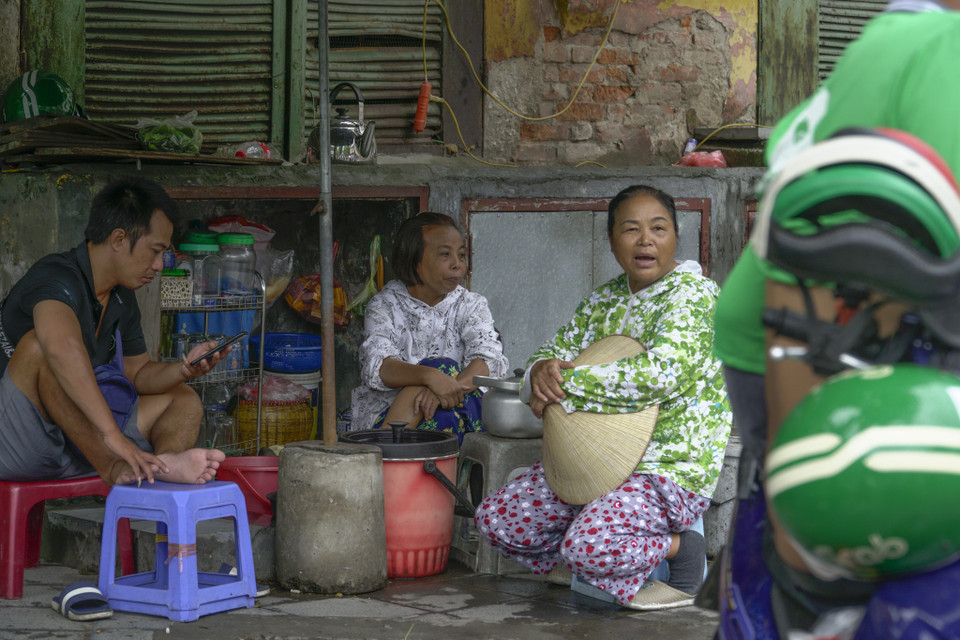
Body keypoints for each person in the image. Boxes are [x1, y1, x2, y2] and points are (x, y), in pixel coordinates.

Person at [712, 0, 960, 634]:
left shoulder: (893, 34)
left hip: (783, 334)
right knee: (830, 568)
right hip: (836, 345)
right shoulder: (945, 45)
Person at [474, 185, 732, 610]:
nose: (645, 239)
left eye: (658, 228)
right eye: (631, 229)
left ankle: (681, 553)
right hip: (592, 460)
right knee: (499, 521)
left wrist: (566, 386)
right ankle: (592, 554)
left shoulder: (695, 296)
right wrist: (539, 374)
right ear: (612, 240)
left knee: (588, 546)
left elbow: (660, 374)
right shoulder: (603, 300)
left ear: (676, 236)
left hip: (664, 469)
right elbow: (550, 354)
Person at [0, 178, 229, 486]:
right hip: (20, 444)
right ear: (119, 239)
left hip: (79, 442)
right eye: (155, 251)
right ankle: (113, 467)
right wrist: (112, 438)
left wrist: (184, 369)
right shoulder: (55, 276)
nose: (160, 265)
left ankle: (165, 464)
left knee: (182, 399)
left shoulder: (121, 295)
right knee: (40, 348)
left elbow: (139, 373)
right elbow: (59, 348)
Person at [350, 212, 509, 443]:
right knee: (437, 368)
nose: (457, 264)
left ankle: (383, 459)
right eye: (445, 255)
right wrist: (429, 377)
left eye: (461, 255)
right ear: (415, 261)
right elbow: (379, 366)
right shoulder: (384, 305)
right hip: (395, 417)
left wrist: (443, 387)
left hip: (461, 409)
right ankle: (395, 457)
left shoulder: (471, 305)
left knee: (444, 395)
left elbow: (488, 359)